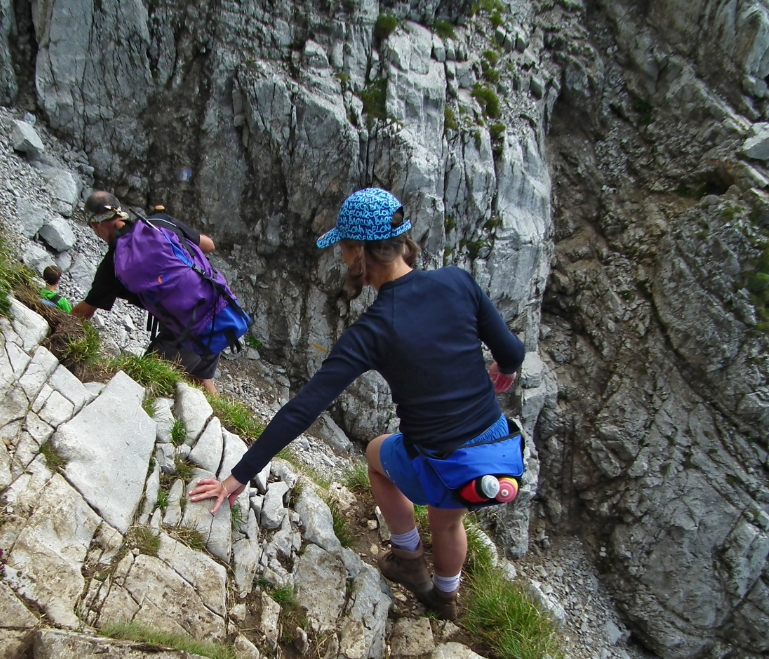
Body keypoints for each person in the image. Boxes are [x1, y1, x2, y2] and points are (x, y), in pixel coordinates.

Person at [189, 188, 525, 620]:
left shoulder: (372, 330)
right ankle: (445, 597)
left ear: (358, 254)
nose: (344, 260)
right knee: (449, 521)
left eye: (345, 250)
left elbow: (304, 408)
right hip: (489, 447)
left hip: (437, 454)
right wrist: (505, 369)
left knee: (376, 455)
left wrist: (238, 475)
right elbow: (511, 352)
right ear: (403, 240)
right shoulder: (457, 281)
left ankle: (407, 557)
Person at [71, 190, 222, 395]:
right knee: (201, 378)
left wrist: (55, 322)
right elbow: (209, 245)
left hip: (188, 328)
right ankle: (219, 425)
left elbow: (83, 313)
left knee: (140, 386)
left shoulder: (115, 263)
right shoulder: (160, 223)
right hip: (218, 309)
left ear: (97, 225)